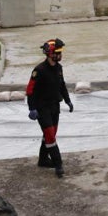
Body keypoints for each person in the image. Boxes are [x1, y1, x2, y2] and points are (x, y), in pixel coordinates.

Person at [26, 38, 73, 177]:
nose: (60, 55)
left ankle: (43, 160)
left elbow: (62, 85)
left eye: (61, 52)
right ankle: (58, 165)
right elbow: (30, 90)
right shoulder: (39, 70)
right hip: (42, 107)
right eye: (57, 52)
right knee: (51, 136)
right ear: (49, 54)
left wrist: (68, 100)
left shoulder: (59, 68)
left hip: (54, 106)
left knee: (50, 133)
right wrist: (32, 108)